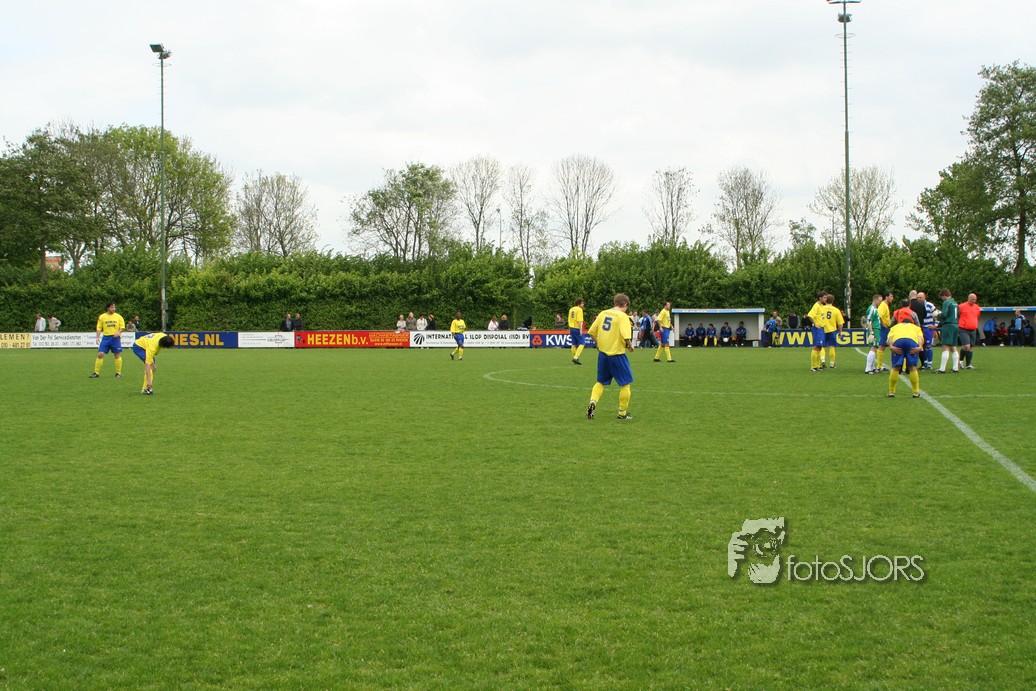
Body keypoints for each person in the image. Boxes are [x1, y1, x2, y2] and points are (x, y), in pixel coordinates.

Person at [586, 293, 635, 421]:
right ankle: (622, 413)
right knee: (626, 384)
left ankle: (593, 402)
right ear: (625, 304)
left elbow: (591, 331)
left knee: (600, 382)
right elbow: (626, 335)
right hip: (617, 355)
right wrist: (630, 345)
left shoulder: (603, 313)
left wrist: (598, 344)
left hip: (603, 355)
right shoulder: (623, 316)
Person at [886, 319, 924, 398]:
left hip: (898, 341)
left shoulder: (895, 327)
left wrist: (891, 346)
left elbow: (890, 337)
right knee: (912, 367)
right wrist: (920, 347)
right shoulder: (916, 327)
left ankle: (891, 392)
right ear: (911, 323)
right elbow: (920, 337)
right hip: (911, 341)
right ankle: (916, 392)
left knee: (896, 367)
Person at [90, 302, 125, 379]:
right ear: (108, 308)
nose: (114, 309)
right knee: (100, 354)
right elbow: (99, 328)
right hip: (106, 338)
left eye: (114, 307)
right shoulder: (102, 317)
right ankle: (96, 373)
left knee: (117, 355)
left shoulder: (118, 316)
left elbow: (122, 327)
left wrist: (118, 333)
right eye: (112, 307)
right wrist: (97, 337)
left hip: (115, 338)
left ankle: (118, 373)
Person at [934, 288, 960, 373]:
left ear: (944, 295)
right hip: (955, 324)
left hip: (948, 325)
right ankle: (955, 368)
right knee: (953, 346)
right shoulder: (955, 303)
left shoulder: (946, 302)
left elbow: (944, 314)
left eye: (941, 297)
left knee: (945, 346)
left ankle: (942, 369)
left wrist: (937, 315)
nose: (942, 299)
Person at [807, 291, 829, 371]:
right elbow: (810, 315)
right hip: (817, 329)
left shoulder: (821, 306)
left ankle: (818, 365)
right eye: (824, 297)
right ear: (820, 298)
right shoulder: (816, 306)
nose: (826, 299)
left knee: (819, 347)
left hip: (821, 329)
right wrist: (815, 324)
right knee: (816, 346)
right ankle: (813, 366)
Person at [957, 293, 980, 369]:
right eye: (973, 299)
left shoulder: (977, 307)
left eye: (975, 299)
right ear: (969, 299)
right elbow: (957, 316)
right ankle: (960, 360)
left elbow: (977, 316)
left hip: (973, 329)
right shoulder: (961, 306)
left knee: (971, 347)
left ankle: (968, 364)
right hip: (963, 329)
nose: (974, 301)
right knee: (966, 346)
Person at [823, 294, 845, 367]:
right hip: (832, 330)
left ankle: (822, 360)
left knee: (822, 346)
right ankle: (832, 364)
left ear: (826, 300)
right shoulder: (836, 310)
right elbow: (840, 323)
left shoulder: (821, 308)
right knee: (832, 346)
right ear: (833, 301)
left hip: (822, 329)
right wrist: (840, 332)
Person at [864, 294, 882, 373]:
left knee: (874, 347)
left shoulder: (875, 308)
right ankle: (868, 368)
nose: (880, 303)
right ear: (875, 299)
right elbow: (869, 321)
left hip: (876, 329)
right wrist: (871, 332)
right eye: (879, 301)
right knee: (874, 347)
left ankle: (872, 367)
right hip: (874, 329)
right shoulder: (871, 308)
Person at [568, 298, 586, 365]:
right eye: (582, 303)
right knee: (582, 343)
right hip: (577, 328)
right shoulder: (579, 309)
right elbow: (579, 320)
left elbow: (569, 319)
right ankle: (575, 357)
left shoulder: (571, 309)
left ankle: (575, 358)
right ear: (579, 303)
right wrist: (581, 330)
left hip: (571, 328)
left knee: (574, 344)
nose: (583, 304)